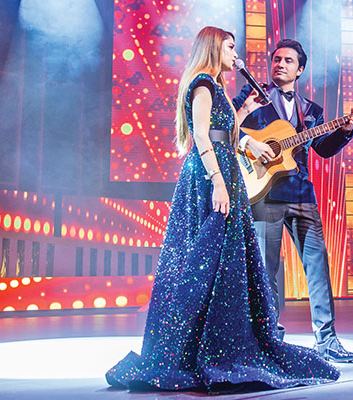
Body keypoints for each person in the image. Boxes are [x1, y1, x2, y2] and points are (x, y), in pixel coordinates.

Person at [105, 26, 339, 392]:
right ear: (215, 48)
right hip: (212, 177)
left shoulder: (221, 88)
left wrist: (244, 119)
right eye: (230, 47)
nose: (236, 54)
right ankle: (197, 348)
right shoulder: (203, 83)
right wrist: (217, 180)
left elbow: (226, 131)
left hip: (243, 177)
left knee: (223, 264)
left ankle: (223, 338)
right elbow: (202, 134)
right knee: (205, 260)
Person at [232, 39, 353, 363]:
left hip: (303, 194)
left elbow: (323, 149)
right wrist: (250, 144)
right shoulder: (252, 95)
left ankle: (327, 342)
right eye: (276, 59)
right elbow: (226, 127)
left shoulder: (311, 110)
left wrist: (345, 131)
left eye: (288, 60)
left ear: (300, 69)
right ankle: (269, 340)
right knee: (267, 272)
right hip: (265, 194)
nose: (280, 64)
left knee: (318, 268)